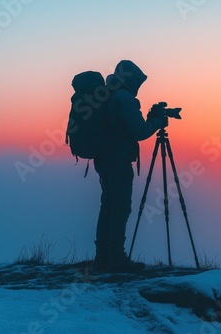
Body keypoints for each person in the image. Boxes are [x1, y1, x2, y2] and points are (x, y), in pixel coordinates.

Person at [93, 60, 168, 273]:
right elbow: (140, 132)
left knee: (107, 206)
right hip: (118, 161)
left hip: (104, 160)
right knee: (120, 208)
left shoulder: (107, 95)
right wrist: (156, 122)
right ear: (130, 79)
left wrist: (149, 119)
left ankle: (102, 258)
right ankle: (116, 258)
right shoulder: (125, 99)